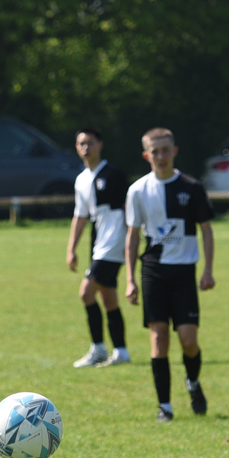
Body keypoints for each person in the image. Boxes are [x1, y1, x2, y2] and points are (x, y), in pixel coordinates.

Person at [125, 127, 215, 421]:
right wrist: (130, 279)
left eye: (165, 150)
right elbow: (133, 236)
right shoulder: (137, 190)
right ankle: (164, 406)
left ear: (174, 151)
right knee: (159, 337)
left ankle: (193, 382)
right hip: (153, 272)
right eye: (155, 151)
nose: (160, 156)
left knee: (188, 341)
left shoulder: (191, 187)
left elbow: (206, 230)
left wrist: (208, 270)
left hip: (184, 273)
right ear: (146, 155)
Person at [66, 127, 130, 368]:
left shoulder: (113, 174)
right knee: (108, 298)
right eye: (81, 143)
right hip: (98, 243)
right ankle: (121, 352)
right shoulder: (81, 179)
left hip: (114, 243)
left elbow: (128, 209)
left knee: (86, 292)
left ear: (100, 145)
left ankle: (98, 349)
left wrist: (129, 243)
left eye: (90, 143)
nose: (86, 148)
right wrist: (71, 248)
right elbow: (80, 216)